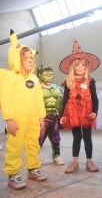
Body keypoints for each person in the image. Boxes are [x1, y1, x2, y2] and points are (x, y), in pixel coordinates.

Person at [0, 29, 47, 190]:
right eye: (25, 58)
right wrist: (10, 119)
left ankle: (33, 169)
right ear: (15, 59)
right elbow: (5, 98)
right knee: (15, 146)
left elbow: (39, 99)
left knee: (33, 144)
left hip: (33, 119)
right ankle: (13, 174)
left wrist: (41, 117)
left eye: (31, 58)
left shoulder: (34, 79)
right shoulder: (10, 77)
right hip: (17, 121)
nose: (30, 61)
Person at [59, 39, 99, 173]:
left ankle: (89, 161)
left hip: (87, 112)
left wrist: (95, 111)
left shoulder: (90, 81)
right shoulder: (68, 82)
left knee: (87, 137)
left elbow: (95, 97)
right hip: (73, 113)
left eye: (83, 65)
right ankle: (74, 162)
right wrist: (62, 115)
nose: (80, 68)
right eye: (77, 65)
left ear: (86, 66)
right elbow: (65, 99)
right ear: (72, 67)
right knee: (77, 137)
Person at [37, 65, 64, 165]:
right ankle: (34, 158)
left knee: (56, 139)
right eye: (46, 74)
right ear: (39, 75)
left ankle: (56, 156)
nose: (49, 76)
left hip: (54, 117)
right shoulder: (37, 90)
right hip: (42, 118)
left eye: (50, 74)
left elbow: (60, 105)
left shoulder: (56, 90)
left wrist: (62, 117)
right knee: (39, 139)